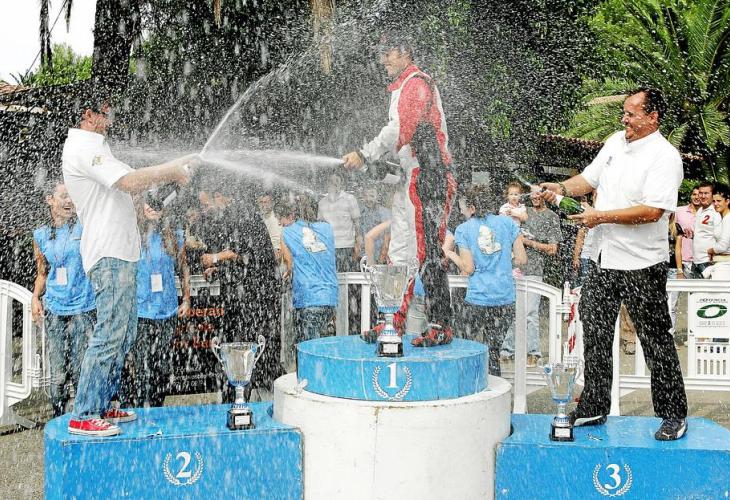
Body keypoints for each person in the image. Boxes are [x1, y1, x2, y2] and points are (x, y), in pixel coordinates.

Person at [540, 87, 688, 441]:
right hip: (601, 259)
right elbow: (587, 180)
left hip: (642, 263)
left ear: (653, 117)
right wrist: (559, 187)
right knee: (595, 334)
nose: (625, 119)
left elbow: (653, 211)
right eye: (624, 112)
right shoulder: (614, 142)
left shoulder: (665, 156)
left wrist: (600, 216)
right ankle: (593, 406)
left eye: (632, 114)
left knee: (655, 339)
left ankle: (672, 414)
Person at [62, 96, 193, 436]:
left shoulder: (98, 148)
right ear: (88, 114)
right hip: (109, 254)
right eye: (105, 112)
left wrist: (175, 166)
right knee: (110, 332)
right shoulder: (83, 147)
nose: (110, 118)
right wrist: (173, 171)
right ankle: (84, 413)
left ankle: (104, 402)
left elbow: (133, 181)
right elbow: (130, 182)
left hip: (122, 253)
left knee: (124, 333)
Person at [342, 33, 457, 347]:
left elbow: (398, 131)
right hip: (412, 177)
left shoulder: (417, 84)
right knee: (399, 251)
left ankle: (440, 325)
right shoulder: (401, 88)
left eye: (388, 54)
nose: (383, 61)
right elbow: (401, 150)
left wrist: (365, 153)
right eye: (382, 55)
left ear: (406, 53)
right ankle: (392, 320)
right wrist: (375, 168)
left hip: (431, 178)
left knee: (427, 252)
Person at [445, 184, 526, 376]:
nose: (462, 212)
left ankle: (470, 384)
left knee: (468, 347)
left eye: (463, 208)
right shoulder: (508, 223)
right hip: (504, 297)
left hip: (478, 298)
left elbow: (468, 268)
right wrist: (502, 261)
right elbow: (521, 259)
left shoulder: (463, 229)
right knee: (493, 351)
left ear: (472, 208)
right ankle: (495, 386)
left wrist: (449, 253)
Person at [31, 181, 95, 417]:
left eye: (72, 196)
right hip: (55, 308)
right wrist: (35, 298)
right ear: (50, 200)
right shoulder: (40, 235)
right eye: (64, 196)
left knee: (80, 369)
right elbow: (42, 273)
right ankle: (58, 419)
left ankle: (81, 418)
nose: (69, 201)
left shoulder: (84, 228)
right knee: (58, 373)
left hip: (82, 307)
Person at [121, 200, 190, 408]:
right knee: (143, 366)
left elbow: (184, 267)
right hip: (141, 312)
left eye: (156, 204)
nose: (152, 208)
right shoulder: (132, 235)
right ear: (140, 207)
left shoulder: (174, 235)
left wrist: (186, 299)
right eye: (148, 204)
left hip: (167, 311)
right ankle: (143, 410)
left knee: (162, 367)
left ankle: (156, 409)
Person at [501, 191, 561, 366]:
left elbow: (553, 249)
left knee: (531, 313)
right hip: (513, 268)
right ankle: (507, 351)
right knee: (516, 312)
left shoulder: (551, 217)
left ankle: (533, 353)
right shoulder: (520, 210)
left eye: (539, 195)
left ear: (545, 197)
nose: (535, 197)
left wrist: (528, 243)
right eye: (533, 195)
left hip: (534, 269)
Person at [277, 194, 338, 349]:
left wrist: (288, 272)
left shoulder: (287, 232)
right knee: (325, 349)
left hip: (307, 298)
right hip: (329, 298)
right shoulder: (328, 228)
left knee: (308, 350)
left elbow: (288, 263)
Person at [317, 174, 362, 272]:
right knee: (332, 276)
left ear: (341, 183)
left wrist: (357, 246)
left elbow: (357, 225)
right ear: (327, 183)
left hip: (347, 247)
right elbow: (320, 228)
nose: (334, 184)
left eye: (337, 181)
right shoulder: (322, 203)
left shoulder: (350, 199)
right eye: (331, 181)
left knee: (347, 276)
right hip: (329, 248)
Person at [691, 181, 721, 278]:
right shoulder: (700, 210)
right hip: (695, 261)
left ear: (712, 195)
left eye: (706, 193)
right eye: (701, 193)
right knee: (695, 288)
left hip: (709, 262)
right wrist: (691, 234)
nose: (703, 196)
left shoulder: (716, 212)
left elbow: (720, 237)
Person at [705, 183, 730, 278]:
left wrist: (711, 250)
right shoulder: (721, 218)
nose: (715, 204)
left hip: (726, 266)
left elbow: (723, 245)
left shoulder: (728, 218)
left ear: (727, 201)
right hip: (720, 263)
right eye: (713, 201)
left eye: (719, 201)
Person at [675, 186, 701, 278]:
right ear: (690, 196)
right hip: (683, 262)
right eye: (694, 194)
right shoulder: (678, 211)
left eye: (699, 195)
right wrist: (679, 269)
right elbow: (675, 235)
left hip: (702, 261)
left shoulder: (707, 214)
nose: (696, 197)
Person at [257, 192, 283, 262]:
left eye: (266, 202)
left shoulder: (275, 218)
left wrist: (278, 250)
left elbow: (279, 237)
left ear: (271, 203)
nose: (263, 205)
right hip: (266, 252)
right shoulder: (261, 217)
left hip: (276, 252)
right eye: (261, 202)